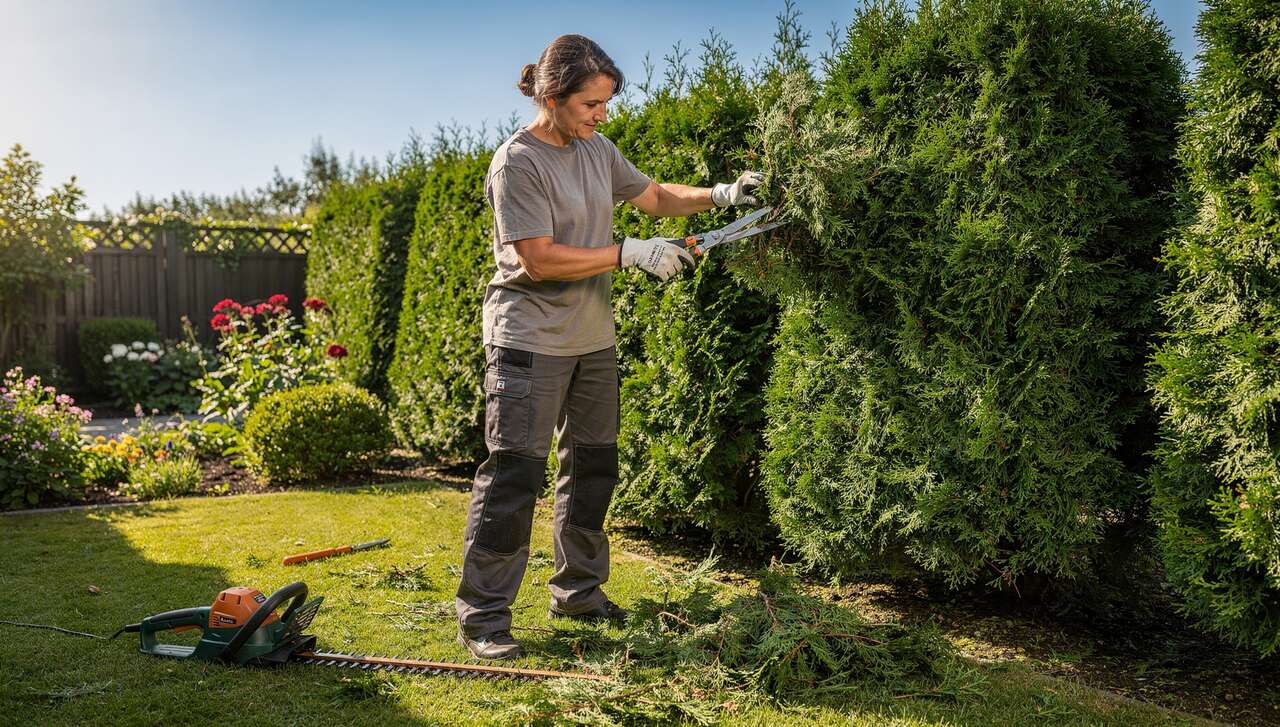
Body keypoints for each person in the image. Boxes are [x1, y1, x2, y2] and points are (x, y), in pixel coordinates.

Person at [455, 33, 763, 660]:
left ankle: (579, 593)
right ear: (553, 94)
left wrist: (721, 195)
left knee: (594, 467)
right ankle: (484, 616)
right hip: (528, 337)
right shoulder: (517, 162)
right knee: (516, 472)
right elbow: (537, 260)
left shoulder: (597, 149)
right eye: (591, 103)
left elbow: (653, 198)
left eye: (605, 103)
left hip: (591, 339)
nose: (601, 115)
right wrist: (625, 253)